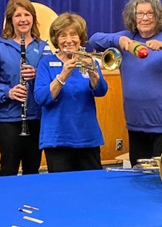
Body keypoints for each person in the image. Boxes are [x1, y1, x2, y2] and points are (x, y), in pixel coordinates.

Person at [88, 0, 162, 166]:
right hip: (136, 125)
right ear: (133, 17)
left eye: (150, 13)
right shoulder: (127, 38)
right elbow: (94, 40)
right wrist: (117, 39)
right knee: (140, 175)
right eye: (140, 13)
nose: (145, 18)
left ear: (158, 16)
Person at [0, 0, 51, 176]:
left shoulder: (44, 47)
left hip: (36, 117)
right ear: (10, 20)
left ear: (33, 18)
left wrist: (38, 74)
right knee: (8, 167)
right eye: (18, 15)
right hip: (8, 118)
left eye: (27, 15)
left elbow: (52, 80)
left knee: (32, 168)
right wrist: (8, 92)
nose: (23, 19)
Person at [34, 12, 108, 172]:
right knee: (62, 185)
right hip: (57, 138)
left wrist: (93, 74)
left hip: (87, 137)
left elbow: (101, 91)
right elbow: (41, 98)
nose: (69, 40)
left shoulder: (89, 61)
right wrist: (63, 75)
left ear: (80, 38)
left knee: (92, 184)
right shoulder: (46, 63)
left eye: (73, 34)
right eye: (63, 35)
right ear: (56, 40)